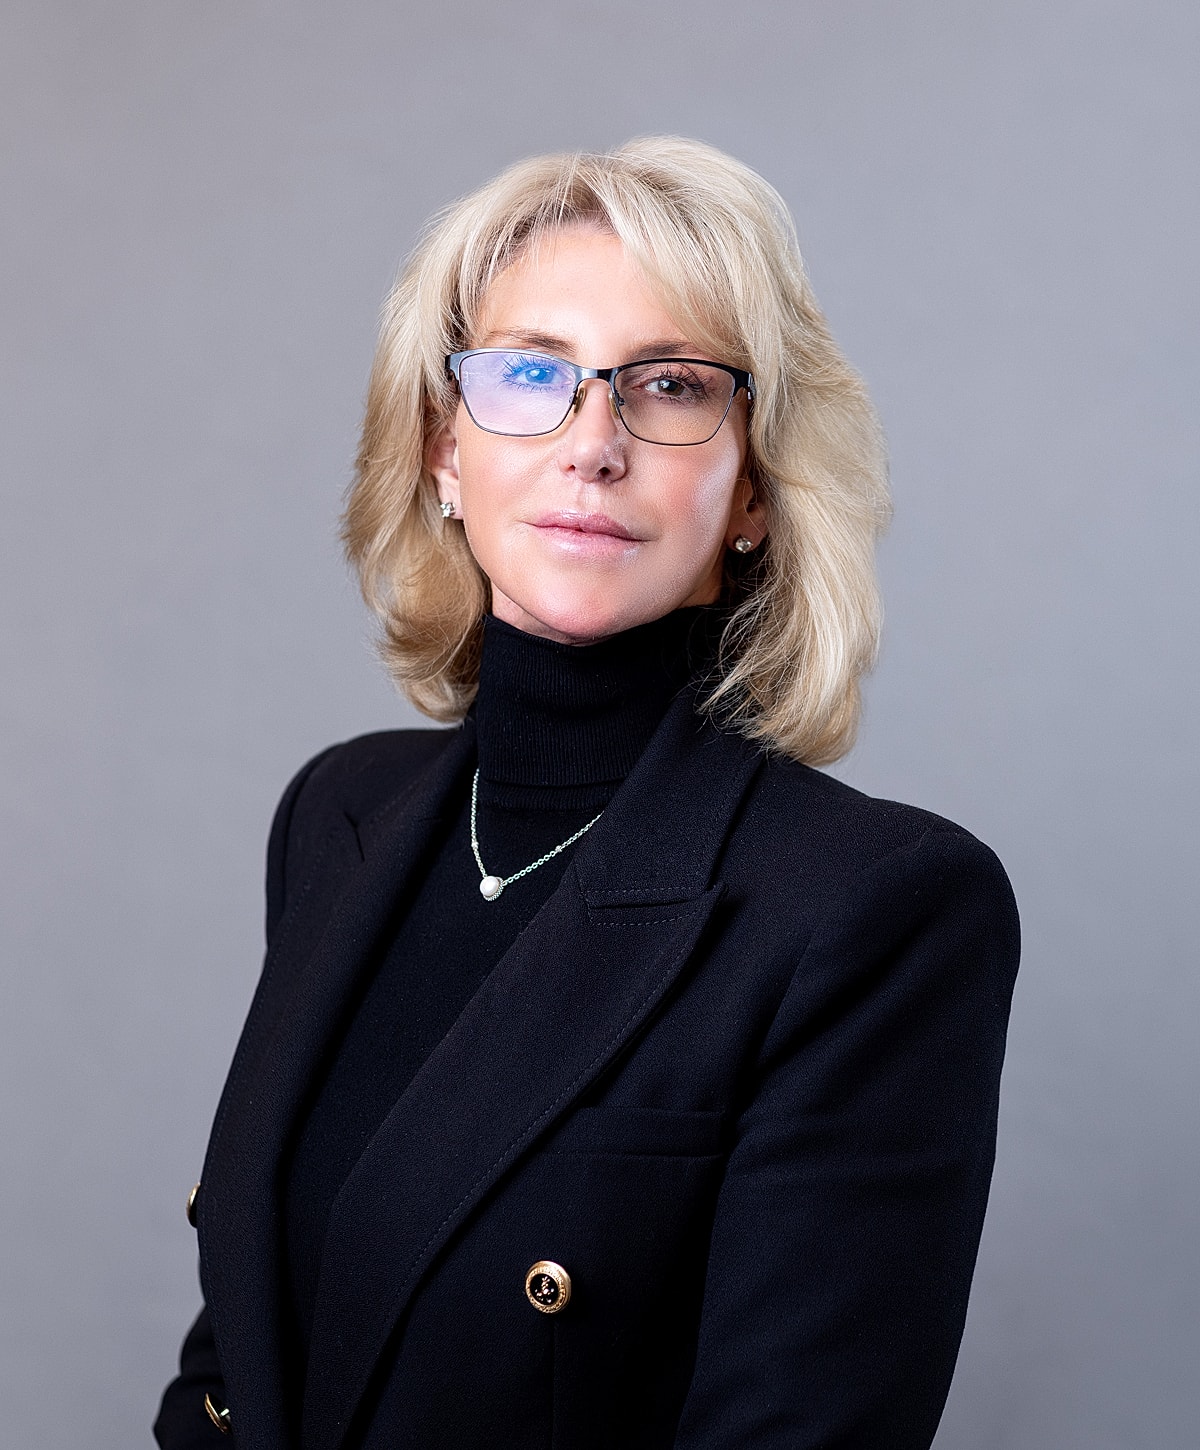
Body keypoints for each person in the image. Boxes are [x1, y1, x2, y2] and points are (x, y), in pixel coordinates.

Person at [155, 137, 1020, 1450]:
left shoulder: (873, 910)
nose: (591, 442)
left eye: (670, 386)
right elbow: (238, 1366)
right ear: (444, 446)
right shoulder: (339, 817)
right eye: (531, 374)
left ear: (752, 491)